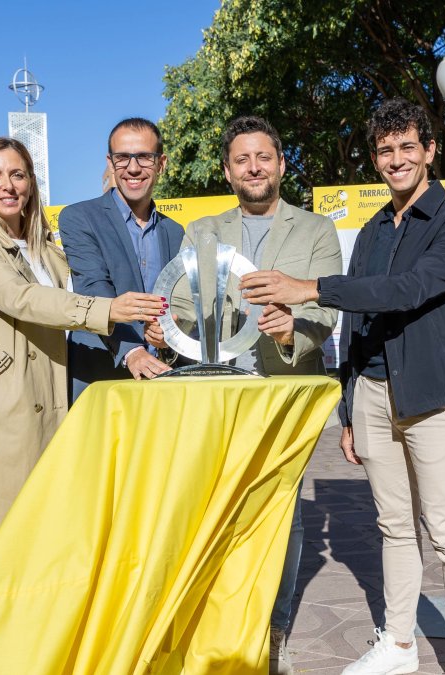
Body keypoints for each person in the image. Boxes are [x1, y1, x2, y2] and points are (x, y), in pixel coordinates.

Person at [239, 98, 445, 675]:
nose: (396, 159)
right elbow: (358, 321)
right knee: (394, 527)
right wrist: (350, 405)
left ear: (430, 150)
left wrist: (308, 288)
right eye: (385, 150)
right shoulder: (374, 229)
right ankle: (399, 647)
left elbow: (407, 289)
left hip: (436, 398)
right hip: (375, 395)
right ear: (376, 160)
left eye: (408, 147)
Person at [145, 115, 341, 675]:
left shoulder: (316, 231)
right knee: (215, 509)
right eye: (241, 160)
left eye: (263, 157)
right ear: (228, 171)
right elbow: (180, 302)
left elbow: (325, 312)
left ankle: (273, 627)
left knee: (283, 514)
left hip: (284, 393)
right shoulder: (202, 231)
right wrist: (165, 328)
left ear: (281, 163)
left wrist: (288, 329)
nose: (253, 168)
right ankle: (217, 622)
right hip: (216, 398)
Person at [0, 137, 166, 553]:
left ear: (30, 184)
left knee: (44, 542)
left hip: (53, 401)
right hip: (2, 409)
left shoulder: (45, 248)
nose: (7, 185)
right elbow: (23, 300)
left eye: (17, 174)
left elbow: (84, 280)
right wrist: (109, 310)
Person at [57, 118, 184, 399]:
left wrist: (168, 339)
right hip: (101, 380)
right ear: (111, 162)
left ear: (161, 163)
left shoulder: (175, 232)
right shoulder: (79, 218)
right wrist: (133, 351)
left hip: (162, 383)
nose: (133, 167)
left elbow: (176, 305)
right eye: (123, 157)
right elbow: (93, 287)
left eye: (144, 157)